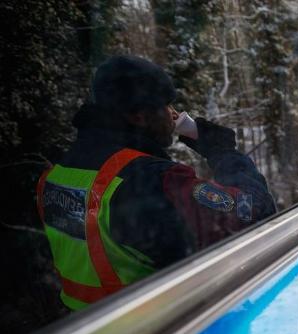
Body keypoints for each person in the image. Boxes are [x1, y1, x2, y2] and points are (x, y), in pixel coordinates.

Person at [37, 55, 276, 311]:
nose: (173, 115)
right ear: (139, 116)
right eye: (166, 105)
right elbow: (255, 211)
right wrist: (221, 150)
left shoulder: (57, 175)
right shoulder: (153, 180)